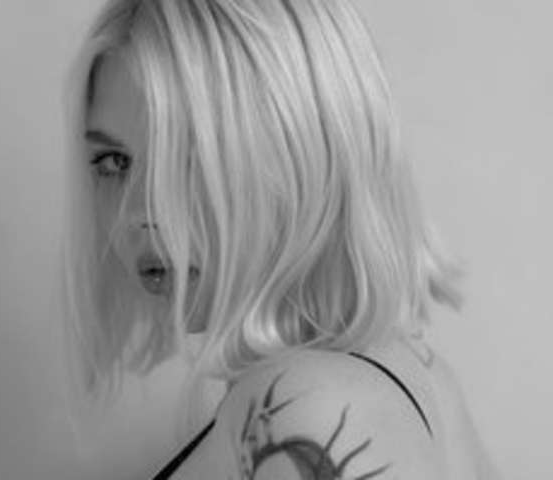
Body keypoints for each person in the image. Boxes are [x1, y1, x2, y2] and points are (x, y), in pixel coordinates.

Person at [57, 0, 503, 478]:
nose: (140, 212)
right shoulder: (405, 367)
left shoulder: (311, 407)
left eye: (189, 155)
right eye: (114, 162)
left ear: (306, 150)